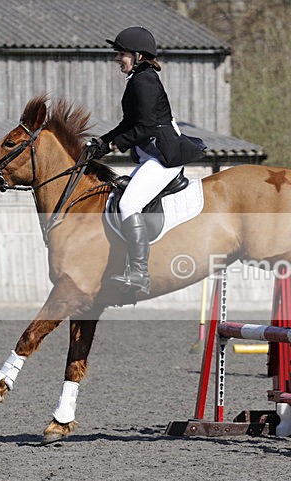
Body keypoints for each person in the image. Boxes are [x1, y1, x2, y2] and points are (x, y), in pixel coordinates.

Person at [90, 26, 203, 295]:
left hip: (164, 157)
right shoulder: (138, 79)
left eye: (122, 54)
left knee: (129, 203)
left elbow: (147, 126)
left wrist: (116, 143)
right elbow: (129, 123)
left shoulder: (145, 81)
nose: (118, 58)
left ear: (138, 56)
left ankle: (140, 273)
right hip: (151, 155)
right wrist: (102, 144)